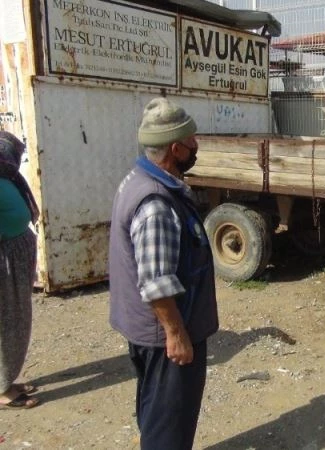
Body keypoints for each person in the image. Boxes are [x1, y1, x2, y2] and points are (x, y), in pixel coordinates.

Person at [109, 97, 218, 449]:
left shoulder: (139, 178)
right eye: (192, 141)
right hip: (165, 334)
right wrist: (176, 333)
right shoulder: (156, 202)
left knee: (157, 412)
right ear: (175, 149)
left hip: (150, 331)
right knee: (169, 424)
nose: (196, 145)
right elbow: (156, 283)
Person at [0, 131, 40, 409]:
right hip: (4, 261)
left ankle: (6, 379)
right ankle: (2, 391)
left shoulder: (6, 174)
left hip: (14, 256)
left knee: (14, 320)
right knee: (8, 322)